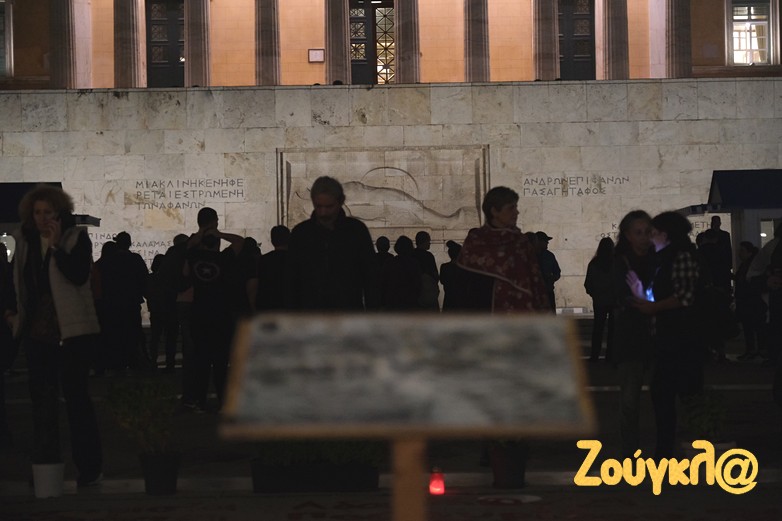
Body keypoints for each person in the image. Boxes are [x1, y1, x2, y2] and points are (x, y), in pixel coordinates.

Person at [8, 185, 103, 486]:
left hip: (73, 332)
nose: (42, 218)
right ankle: (46, 469)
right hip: (37, 332)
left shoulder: (76, 238)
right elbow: (17, 282)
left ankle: (89, 467)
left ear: (59, 213)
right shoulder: (23, 240)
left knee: (77, 400)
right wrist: (12, 315)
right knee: (42, 404)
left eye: (48, 212)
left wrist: (56, 246)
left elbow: (77, 275)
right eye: (37, 212)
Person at [631, 211, 702, 460]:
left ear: (666, 234)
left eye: (654, 232)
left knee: (671, 394)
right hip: (666, 338)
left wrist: (654, 307)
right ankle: (667, 451)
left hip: (680, 340)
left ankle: (673, 452)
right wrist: (642, 295)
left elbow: (685, 296)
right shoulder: (663, 259)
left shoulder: (681, 257)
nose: (650, 237)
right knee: (665, 395)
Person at [182, 207, 244, 413]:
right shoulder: (223, 259)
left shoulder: (194, 256)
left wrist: (201, 233)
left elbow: (186, 262)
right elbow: (240, 242)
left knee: (201, 361)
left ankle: (199, 401)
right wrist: (219, 233)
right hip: (220, 314)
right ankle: (223, 402)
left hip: (199, 314)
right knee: (220, 363)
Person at [285, 176, 378, 311]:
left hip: (348, 312)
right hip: (310, 314)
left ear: (341, 201)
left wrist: (373, 312)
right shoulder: (301, 233)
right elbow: (291, 279)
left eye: (329, 207)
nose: (323, 212)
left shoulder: (356, 231)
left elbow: (370, 276)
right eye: (318, 206)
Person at [457, 186, 548, 313]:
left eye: (516, 207)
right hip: (482, 311)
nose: (516, 212)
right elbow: (463, 282)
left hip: (519, 313)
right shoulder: (476, 240)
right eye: (511, 208)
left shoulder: (521, 241)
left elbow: (535, 280)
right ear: (494, 211)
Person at [611, 210, 655, 458]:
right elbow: (621, 295)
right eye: (638, 233)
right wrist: (641, 298)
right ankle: (630, 451)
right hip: (631, 337)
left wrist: (644, 297)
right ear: (627, 235)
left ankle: (661, 446)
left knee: (662, 396)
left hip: (657, 335)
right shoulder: (621, 263)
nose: (644, 238)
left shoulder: (657, 259)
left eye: (647, 232)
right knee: (629, 399)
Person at [101, 231, 149, 371]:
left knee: (117, 334)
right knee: (133, 333)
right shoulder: (135, 259)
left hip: (113, 302)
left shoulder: (109, 260)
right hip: (131, 302)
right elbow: (144, 279)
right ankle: (134, 362)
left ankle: (119, 363)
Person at [584, 237, 615, 362]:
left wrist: (594, 294)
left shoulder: (594, 264)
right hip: (614, 301)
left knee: (598, 328)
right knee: (613, 330)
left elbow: (588, 283)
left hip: (599, 301)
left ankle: (595, 355)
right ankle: (610, 356)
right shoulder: (616, 263)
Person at [734, 241, 765, 361]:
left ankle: (753, 349)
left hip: (749, 300)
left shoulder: (748, 266)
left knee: (751, 326)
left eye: (742, 251)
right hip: (749, 300)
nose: (739, 253)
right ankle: (756, 350)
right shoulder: (750, 265)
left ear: (749, 252)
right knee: (753, 326)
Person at [250, 225, 290, 312]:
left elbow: (254, 284)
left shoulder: (263, 260)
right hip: (290, 306)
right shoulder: (297, 260)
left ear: (272, 240)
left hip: (268, 306)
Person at [379, 236, 421, 311]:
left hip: (393, 300)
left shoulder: (389, 262)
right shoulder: (414, 263)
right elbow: (418, 283)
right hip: (410, 300)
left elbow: (383, 282)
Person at [412, 231, 440, 311]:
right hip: (427, 292)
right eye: (428, 241)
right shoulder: (428, 256)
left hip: (415, 293)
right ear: (424, 241)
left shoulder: (411, 254)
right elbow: (435, 274)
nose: (429, 243)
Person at [439, 240, 470, 312]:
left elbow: (442, 281)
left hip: (449, 300)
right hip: (462, 301)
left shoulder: (444, 267)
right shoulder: (465, 268)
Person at [535, 231, 561, 313]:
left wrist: (552, 278)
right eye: (545, 241)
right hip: (536, 292)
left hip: (548, 290)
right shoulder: (530, 255)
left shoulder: (549, 256)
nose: (547, 243)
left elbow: (557, 272)